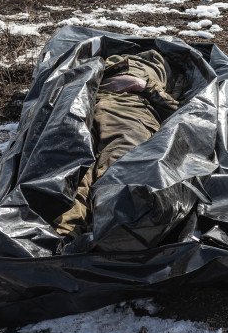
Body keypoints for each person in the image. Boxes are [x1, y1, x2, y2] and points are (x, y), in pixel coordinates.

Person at [54, 50, 180, 238]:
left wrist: (143, 86)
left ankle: (108, 233)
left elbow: (180, 112)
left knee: (119, 165)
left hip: (129, 109)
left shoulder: (163, 68)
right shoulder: (99, 62)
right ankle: (65, 236)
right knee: (75, 170)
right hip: (83, 106)